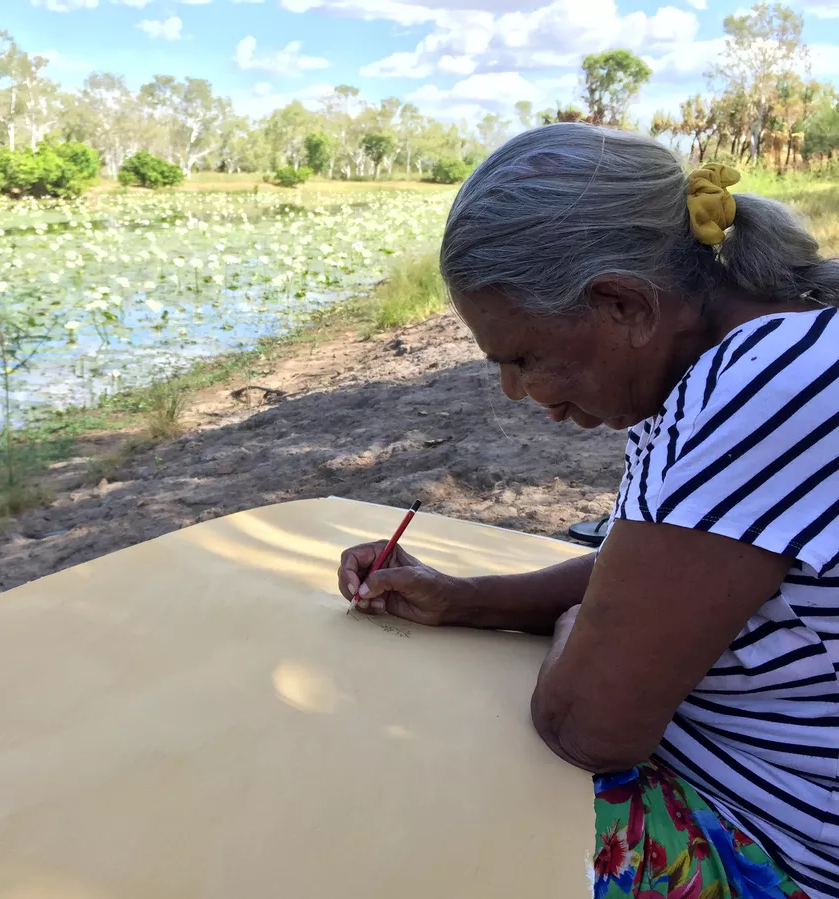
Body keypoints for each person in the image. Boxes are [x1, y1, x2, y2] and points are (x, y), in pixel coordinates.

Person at [338, 123, 839, 899]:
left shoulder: (758, 391)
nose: (516, 391)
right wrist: (465, 599)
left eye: (522, 358)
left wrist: (579, 629)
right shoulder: (764, 350)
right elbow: (669, 570)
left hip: (781, 849)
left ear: (622, 303)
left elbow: (587, 727)